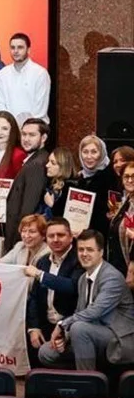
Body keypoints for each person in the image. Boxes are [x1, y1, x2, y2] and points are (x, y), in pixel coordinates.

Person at [38, 229, 134, 370]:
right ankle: (82, 375)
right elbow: (79, 312)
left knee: (79, 329)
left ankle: (87, 380)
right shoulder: (83, 279)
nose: (84, 254)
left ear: (101, 252)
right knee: (46, 352)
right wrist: (66, 336)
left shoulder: (112, 277)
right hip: (88, 335)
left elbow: (95, 311)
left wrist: (62, 324)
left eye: (90, 250)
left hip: (118, 338)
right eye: (81, 250)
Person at [25, 218, 81, 364]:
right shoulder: (43, 261)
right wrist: (33, 327)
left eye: (60, 235)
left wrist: (40, 275)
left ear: (71, 237)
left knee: (49, 354)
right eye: (51, 236)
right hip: (45, 323)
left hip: (69, 325)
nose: (55, 239)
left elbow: (71, 287)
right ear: (46, 238)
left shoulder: (79, 259)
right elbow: (34, 297)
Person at [5, 119, 51, 246]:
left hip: (21, 237)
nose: (26, 139)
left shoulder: (36, 164)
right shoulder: (34, 159)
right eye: (24, 134)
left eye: (32, 135)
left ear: (43, 138)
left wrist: (19, 240)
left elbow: (28, 207)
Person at [0, 33, 51, 124]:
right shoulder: (3, 73)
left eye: (20, 47)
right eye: (13, 47)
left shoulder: (40, 73)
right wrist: (10, 124)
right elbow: (1, 103)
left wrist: (27, 127)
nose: (16, 51)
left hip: (35, 127)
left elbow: (40, 109)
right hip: (10, 126)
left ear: (28, 50)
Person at [78, 135, 119, 233]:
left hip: (102, 233)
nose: (89, 156)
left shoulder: (111, 177)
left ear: (101, 153)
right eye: (85, 152)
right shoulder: (79, 178)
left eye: (94, 152)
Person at [106, 163, 134, 283]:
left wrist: (132, 267)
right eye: (126, 176)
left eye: (133, 176)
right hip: (118, 267)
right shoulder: (127, 201)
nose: (130, 180)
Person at [41, 146, 78, 219]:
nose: (47, 165)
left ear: (63, 166)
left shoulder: (70, 188)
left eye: (53, 163)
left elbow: (68, 216)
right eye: (48, 161)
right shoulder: (50, 183)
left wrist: (51, 205)